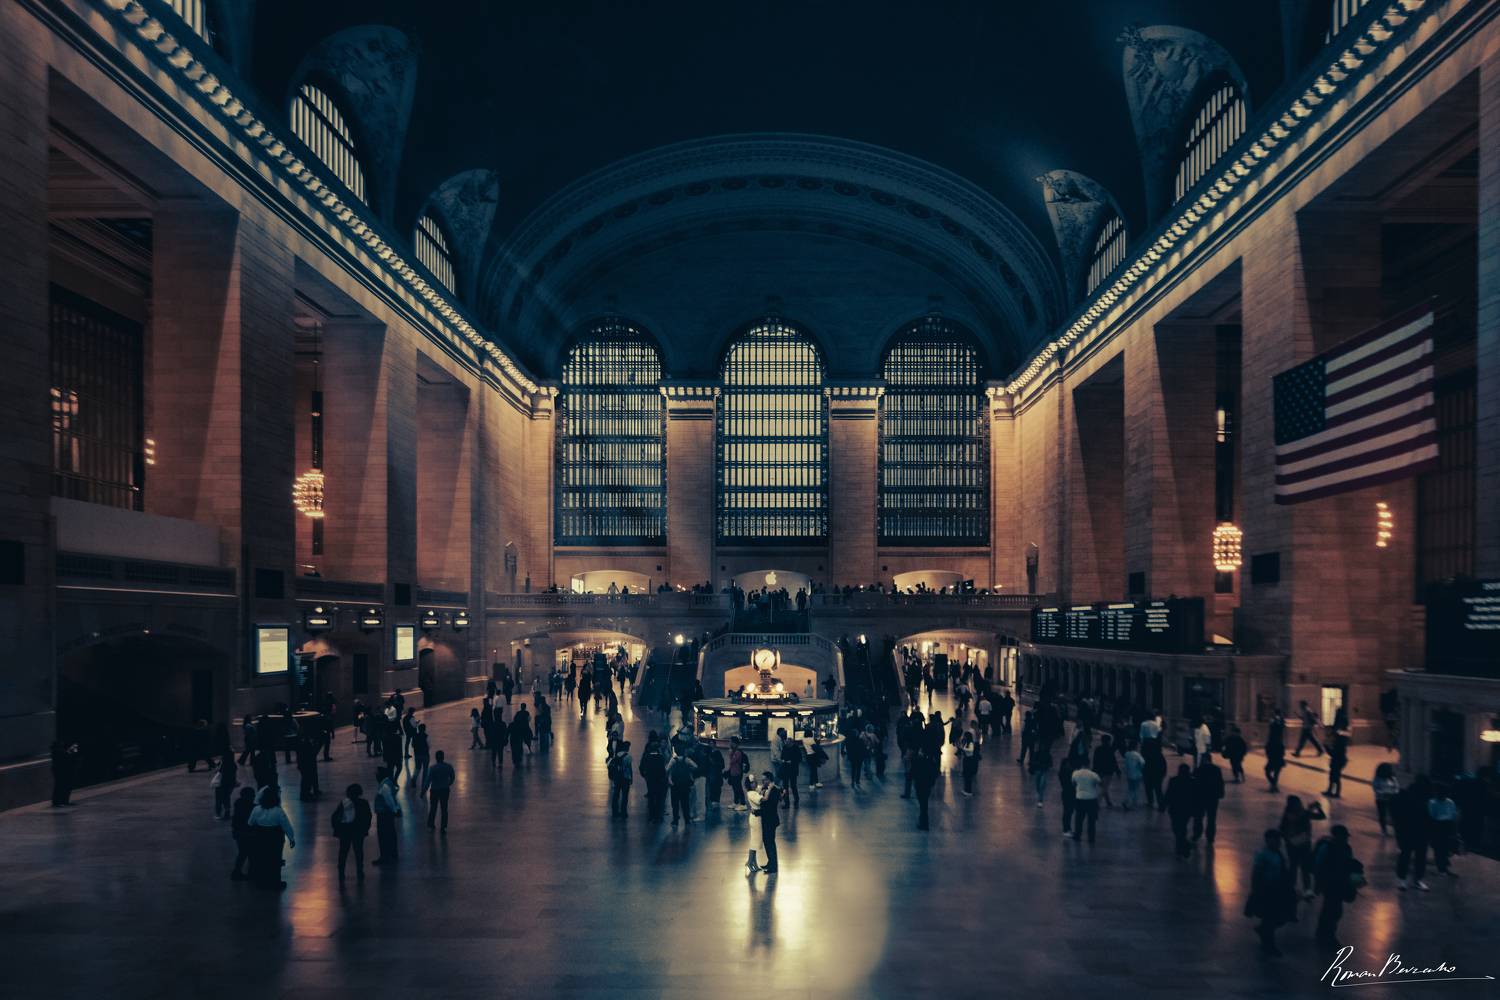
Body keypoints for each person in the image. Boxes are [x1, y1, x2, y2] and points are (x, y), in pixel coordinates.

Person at [1244, 829, 1296, 956]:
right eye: (1275, 840)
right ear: (1268, 840)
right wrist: (1257, 890)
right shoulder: (1264, 855)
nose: (1278, 842)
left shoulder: (1278, 854)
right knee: (1271, 917)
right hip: (1267, 890)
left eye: (1279, 840)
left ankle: (1264, 933)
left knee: (1275, 917)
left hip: (1276, 889)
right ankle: (1268, 944)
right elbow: (1256, 874)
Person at [1313, 825, 1362, 948]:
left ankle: (1322, 932)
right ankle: (1329, 936)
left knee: (1330, 909)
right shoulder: (1327, 847)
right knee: (1333, 910)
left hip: (1339, 882)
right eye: (1344, 836)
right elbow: (1319, 866)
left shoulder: (1345, 847)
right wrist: (1318, 883)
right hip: (1330, 883)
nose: (1346, 838)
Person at [247, 786, 296, 890]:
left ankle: (262, 882)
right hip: (275, 838)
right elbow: (286, 825)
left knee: (262, 859)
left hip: (260, 837)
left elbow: (250, 823)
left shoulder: (256, 809)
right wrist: (291, 838)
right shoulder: (278, 811)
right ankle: (275, 882)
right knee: (275, 860)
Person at [1279, 795, 1325, 898]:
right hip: (1297, 844)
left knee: (1300, 867)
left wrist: (1317, 808)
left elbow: (1322, 816)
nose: (1299, 805)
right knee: (1297, 866)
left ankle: (1303, 889)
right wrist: (1314, 808)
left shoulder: (1299, 813)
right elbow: (1300, 820)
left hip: (1300, 844)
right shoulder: (1293, 814)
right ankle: (1298, 888)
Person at [1393, 775, 1431, 890]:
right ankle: (1416, 880)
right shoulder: (1423, 798)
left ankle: (1403, 880)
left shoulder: (1406, 795)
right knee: (1418, 857)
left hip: (1410, 831)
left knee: (1406, 855)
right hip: (1417, 831)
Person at [330, 783, 372, 883]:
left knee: (343, 852)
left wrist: (337, 829)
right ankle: (359, 871)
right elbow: (368, 817)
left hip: (345, 832)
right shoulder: (364, 803)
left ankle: (341, 871)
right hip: (358, 832)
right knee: (359, 852)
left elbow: (335, 817)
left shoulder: (344, 803)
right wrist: (365, 829)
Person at [1427, 784, 1460, 878]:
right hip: (1438, 826)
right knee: (1439, 848)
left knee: (1446, 848)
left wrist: (1455, 830)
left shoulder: (1450, 802)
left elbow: (1453, 816)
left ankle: (1444, 867)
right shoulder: (1432, 802)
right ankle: (1441, 868)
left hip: (1448, 826)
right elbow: (1431, 817)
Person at [1192, 752, 1225, 844]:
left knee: (1198, 817)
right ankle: (1210, 837)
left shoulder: (1199, 769)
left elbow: (1194, 783)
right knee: (1211, 818)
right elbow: (1220, 782)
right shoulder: (1216, 769)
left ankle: (1197, 834)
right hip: (1213, 797)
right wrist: (1220, 793)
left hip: (1200, 797)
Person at [1164, 763, 1196, 858]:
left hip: (1175, 809)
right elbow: (1195, 797)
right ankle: (1183, 847)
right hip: (1187, 809)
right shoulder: (1192, 781)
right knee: (1182, 827)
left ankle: (1181, 847)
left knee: (1176, 828)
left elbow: (1169, 794)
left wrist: (1164, 804)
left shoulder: (1174, 780)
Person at [372, 766, 401, 866]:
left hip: (384, 814)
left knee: (383, 835)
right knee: (391, 834)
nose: (376, 776)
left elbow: (389, 800)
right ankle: (393, 854)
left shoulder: (384, 786)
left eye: (377, 774)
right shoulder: (388, 782)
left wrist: (394, 810)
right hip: (388, 813)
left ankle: (384, 857)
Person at [422, 749, 455, 831]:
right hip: (445, 789)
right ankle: (443, 826)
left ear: (436, 758)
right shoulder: (448, 767)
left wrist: (423, 792)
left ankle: (431, 824)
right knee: (444, 808)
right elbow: (452, 777)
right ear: (443, 757)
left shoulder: (433, 768)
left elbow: (428, 781)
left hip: (435, 790)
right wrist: (448, 783)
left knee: (433, 807)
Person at [1070, 760, 1101, 843]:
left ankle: (1077, 835)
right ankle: (1091, 838)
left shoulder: (1075, 773)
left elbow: (1073, 783)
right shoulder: (1093, 774)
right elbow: (1099, 783)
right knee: (1091, 820)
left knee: (1079, 818)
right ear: (1089, 764)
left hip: (1080, 798)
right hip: (1091, 799)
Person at [229, 786, 256, 881]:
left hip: (239, 834)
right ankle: (249, 873)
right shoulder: (252, 807)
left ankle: (237, 872)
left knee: (242, 853)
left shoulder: (238, 804)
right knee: (250, 854)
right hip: (248, 834)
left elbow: (235, 821)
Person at [760, 772, 782, 871]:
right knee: (767, 842)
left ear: (769, 779)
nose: (763, 781)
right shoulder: (766, 789)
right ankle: (771, 862)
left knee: (770, 842)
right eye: (762, 780)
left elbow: (770, 805)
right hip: (766, 820)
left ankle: (773, 866)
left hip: (770, 820)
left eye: (764, 779)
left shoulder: (774, 790)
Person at [912, 747, 939, 830]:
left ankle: (923, 823)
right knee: (924, 804)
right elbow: (934, 774)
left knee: (922, 805)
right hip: (927, 786)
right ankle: (924, 822)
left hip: (920, 785)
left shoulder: (918, 761)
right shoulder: (930, 762)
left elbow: (914, 772)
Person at [668, 750, 696, 826]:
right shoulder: (687, 760)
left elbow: (667, 769)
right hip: (685, 785)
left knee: (675, 804)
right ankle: (687, 820)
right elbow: (695, 766)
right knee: (685, 803)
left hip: (675, 785)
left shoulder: (673, 760)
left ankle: (675, 821)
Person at [744, 776, 765, 874]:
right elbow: (762, 800)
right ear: (748, 784)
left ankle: (754, 863)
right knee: (754, 842)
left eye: (755, 782)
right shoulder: (751, 793)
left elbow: (762, 787)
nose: (754, 784)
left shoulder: (755, 790)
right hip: (755, 819)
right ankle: (749, 862)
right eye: (752, 783)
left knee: (756, 842)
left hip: (758, 818)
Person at [777, 729, 802, 808]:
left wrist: (792, 761)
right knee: (785, 786)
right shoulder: (785, 747)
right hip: (785, 769)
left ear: (791, 742)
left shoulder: (796, 748)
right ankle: (786, 802)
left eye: (788, 743)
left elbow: (799, 759)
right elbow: (782, 756)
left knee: (793, 785)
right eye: (786, 743)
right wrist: (783, 760)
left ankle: (796, 799)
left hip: (793, 769)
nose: (787, 744)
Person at [608, 740, 633, 818]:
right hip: (625, 778)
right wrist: (631, 778)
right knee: (625, 796)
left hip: (617, 778)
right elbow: (629, 768)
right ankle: (623, 812)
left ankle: (614, 811)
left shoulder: (617, 755)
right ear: (627, 748)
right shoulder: (628, 757)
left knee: (616, 794)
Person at [213, 753, 237, 819]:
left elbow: (220, 774)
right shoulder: (233, 765)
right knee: (226, 798)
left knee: (218, 800)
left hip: (221, 785)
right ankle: (227, 813)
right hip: (230, 785)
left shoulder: (223, 765)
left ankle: (218, 814)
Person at [1028, 742, 1052, 807]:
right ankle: (1039, 795)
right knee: (1038, 785)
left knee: (1041, 786)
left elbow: (1050, 763)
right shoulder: (1037, 754)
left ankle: (1040, 800)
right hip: (1038, 771)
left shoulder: (1047, 754)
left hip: (1043, 771)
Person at [959, 731, 980, 797]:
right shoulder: (966, 743)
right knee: (966, 777)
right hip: (966, 760)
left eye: (965, 736)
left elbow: (970, 750)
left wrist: (963, 748)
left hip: (969, 760)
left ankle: (968, 791)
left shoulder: (970, 743)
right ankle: (966, 790)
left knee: (968, 777)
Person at [411, 723, 431, 788]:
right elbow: (429, 745)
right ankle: (423, 784)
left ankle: (414, 779)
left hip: (417, 755)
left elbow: (412, 745)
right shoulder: (426, 736)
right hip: (425, 755)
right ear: (424, 729)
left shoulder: (414, 736)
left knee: (417, 768)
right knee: (425, 769)